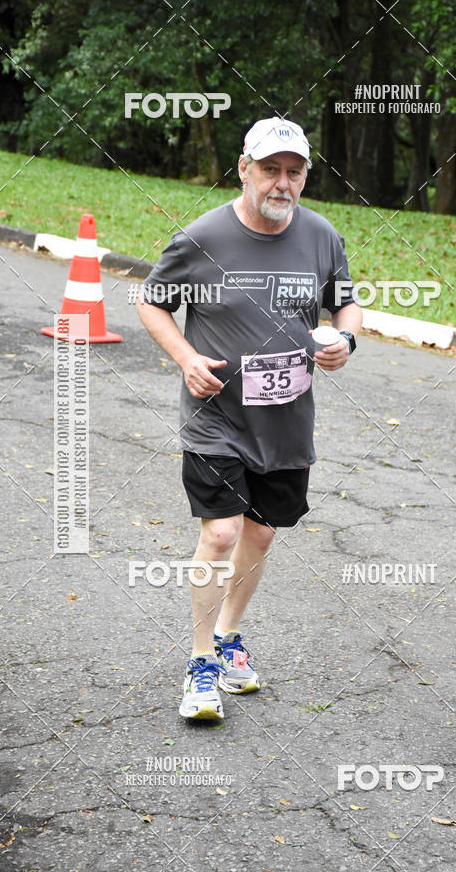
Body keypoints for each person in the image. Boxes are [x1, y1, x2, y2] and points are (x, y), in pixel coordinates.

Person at [137, 117, 362, 721]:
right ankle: (200, 663)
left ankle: (228, 636)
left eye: (294, 171)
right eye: (270, 169)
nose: (282, 182)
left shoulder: (321, 236)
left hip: (286, 421)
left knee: (261, 534)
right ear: (244, 169)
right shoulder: (202, 237)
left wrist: (345, 340)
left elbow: (345, 303)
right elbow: (151, 302)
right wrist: (186, 359)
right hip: (216, 417)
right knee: (220, 533)